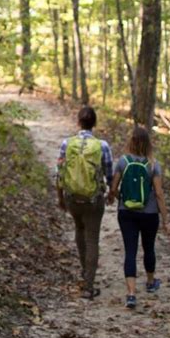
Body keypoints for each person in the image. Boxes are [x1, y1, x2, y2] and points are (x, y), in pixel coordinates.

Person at [109, 125, 169, 309]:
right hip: (149, 214)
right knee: (149, 248)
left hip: (126, 213)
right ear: (148, 144)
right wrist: (165, 219)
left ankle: (131, 294)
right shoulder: (153, 164)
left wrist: (122, 200)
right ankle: (150, 282)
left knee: (130, 251)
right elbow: (158, 193)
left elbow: (113, 188)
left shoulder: (123, 161)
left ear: (131, 142)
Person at [57, 106, 113, 299]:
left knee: (79, 229)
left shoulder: (67, 143)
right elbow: (109, 173)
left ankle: (84, 269)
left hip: (72, 198)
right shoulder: (102, 146)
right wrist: (111, 193)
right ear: (94, 123)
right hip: (93, 200)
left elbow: (59, 173)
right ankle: (89, 285)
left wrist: (60, 198)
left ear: (78, 122)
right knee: (92, 239)